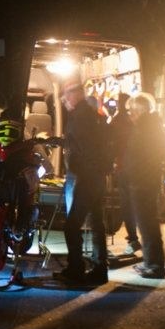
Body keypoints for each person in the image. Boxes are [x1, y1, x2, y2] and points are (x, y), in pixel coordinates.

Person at [53, 79, 110, 286]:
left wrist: (76, 169)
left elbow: (82, 148)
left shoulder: (80, 117)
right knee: (96, 224)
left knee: (71, 225)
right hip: (96, 177)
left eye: (67, 93)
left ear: (77, 94)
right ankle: (99, 269)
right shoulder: (92, 115)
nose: (65, 98)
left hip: (85, 177)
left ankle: (75, 269)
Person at [122, 92, 165, 279]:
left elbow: (141, 157)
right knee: (147, 223)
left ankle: (155, 265)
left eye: (132, 111)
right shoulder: (152, 127)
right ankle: (150, 262)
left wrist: (134, 174)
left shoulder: (145, 129)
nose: (130, 115)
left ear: (140, 110)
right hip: (144, 181)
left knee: (148, 224)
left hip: (143, 183)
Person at [109, 91, 141, 256]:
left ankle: (133, 239)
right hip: (136, 168)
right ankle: (134, 238)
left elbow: (110, 143)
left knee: (127, 204)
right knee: (135, 205)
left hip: (124, 167)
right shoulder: (135, 122)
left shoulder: (118, 121)